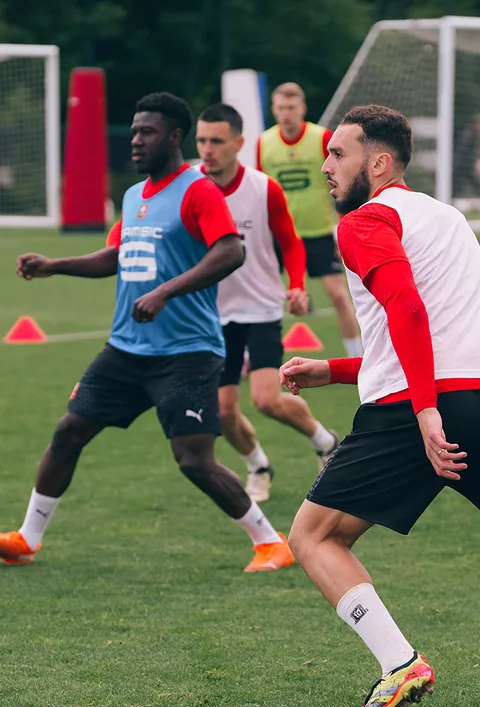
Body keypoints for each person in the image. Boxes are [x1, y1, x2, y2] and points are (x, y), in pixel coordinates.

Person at [0, 91, 295, 575]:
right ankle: (27, 539)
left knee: (194, 461)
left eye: (147, 132)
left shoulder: (198, 190)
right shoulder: (135, 195)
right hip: (125, 349)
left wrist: (165, 292)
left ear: (174, 137)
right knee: (69, 431)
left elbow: (230, 251)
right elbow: (115, 256)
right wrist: (54, 265)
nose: (135, 140)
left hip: (186, 353)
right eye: (134, 131)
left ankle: (271, 543)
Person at [281, 104, 480, 707]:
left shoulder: (365, 221)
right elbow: (436, 334)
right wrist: (337, 370)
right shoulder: (448, 218)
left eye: (339, 154)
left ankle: (399, 664)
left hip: (410, 413)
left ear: (380, 162)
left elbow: (408, 310)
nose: (326, 165)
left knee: (314, 536)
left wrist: (425, 411)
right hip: (469, 396)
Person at [194, 103, 339, 503]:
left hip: (260, 308)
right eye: (202, 140)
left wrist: (297, 285)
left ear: (238, 143)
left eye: (217, 141)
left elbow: (291, 242)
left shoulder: (263, 188)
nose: (207, 149)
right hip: (212, 315)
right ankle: (258, 465)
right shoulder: (189, 187)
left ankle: (324, 440)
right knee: (223, 411)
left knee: (267, 399)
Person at [257, 82, 362, 358]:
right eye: (281, 108)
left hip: (318, 233)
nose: (286, 113)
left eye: (291, 107)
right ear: (274, 110)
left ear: (302, 108)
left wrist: (343, 228)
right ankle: (250, 356)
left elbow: (343, 183)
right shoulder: (264, 142)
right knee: (260, 296)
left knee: (338, 295)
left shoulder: (322, 138)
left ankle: (357, 358)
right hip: (279, 235)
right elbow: (259, 191)